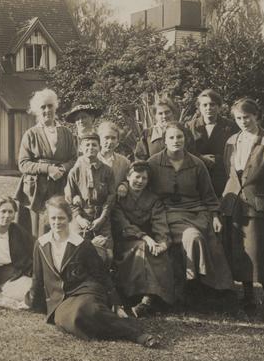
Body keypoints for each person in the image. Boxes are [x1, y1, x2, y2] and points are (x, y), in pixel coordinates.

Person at [26, 196, 161, 347]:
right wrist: (33, 303)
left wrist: (116, 303)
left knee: (87, 309)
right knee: (68, 320)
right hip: (60, 300)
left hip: (85, 290)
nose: (57, 222)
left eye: (61, 218)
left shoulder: (81, 244)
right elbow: (37, 278)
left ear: (69, 218)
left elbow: (101, 274)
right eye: (53, 218)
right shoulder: (41, 244)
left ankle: (137, 335)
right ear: (48, 219)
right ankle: (115, 323)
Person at [220, 98, 264, 323]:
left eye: (247, 117)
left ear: (256, 116)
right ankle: (248, 298)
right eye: (239, 118)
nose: (243, 122)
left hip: (260, 205)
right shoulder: (232, 141)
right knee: (241, 253)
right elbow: (229, 171)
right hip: (234, 205)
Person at [148, 123, 233, 302]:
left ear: (186, 139)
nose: (176, 141)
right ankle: (192, 286)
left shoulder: (197, 163)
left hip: (196, 212)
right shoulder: (154, 163)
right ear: (164, 141)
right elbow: (139, 184)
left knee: (209, 239)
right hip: (167, 214)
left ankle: (215, 290)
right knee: (193, 237)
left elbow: (208, 194)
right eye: (171, 137)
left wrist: (215, 216)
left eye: (179, 137)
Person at [112, 160, 176, 316]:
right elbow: (122, 224)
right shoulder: (119, 197)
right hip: (124, 241)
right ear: (128, 177)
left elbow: (160, 222)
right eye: (137, 177)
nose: (140, 181)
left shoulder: (153, 199)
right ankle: (141, 298)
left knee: (158, 252)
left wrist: (163, 243)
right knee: (142, 247)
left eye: (144, 178)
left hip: (148, 240)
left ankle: (150, 300)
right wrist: (145, 237)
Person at [16, 89, 79, 237]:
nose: (47, 110)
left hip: (61, 184)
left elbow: (74, 159)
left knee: (59, 222)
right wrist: (48, 169)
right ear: (37, 110)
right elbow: (23, 164)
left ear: (55, 107)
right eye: (43, 107)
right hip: (38, 187)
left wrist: (63, 168)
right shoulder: (30, 134)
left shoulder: (66, 133)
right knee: (39, 228)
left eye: (50, 106)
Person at [187, 89, 239, 267]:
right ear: (199, 107)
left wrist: (218, 159)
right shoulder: (190, 126)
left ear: (219, 106)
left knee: (223, 221)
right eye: (205, 105)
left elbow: (237, 151)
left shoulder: (230, 126)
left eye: (212, 104)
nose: (209, 108)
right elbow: (185, 150)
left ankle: (224, 267)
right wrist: (201, 158)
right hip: (197, 180)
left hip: (222, 178)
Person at [65, 131, 116, 265]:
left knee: (108, 255)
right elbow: (69, 197)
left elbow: (111, 197)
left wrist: (102, 218)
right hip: (82, 216)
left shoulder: (107, 171)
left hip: (101, 217)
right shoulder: (74, 172)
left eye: (94, 145)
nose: (90, 148)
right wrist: (79, 218)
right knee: (76, 252)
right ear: (81, 148)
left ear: (99, 147)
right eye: (87, 145)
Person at [97, 120, 131, 188]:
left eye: (113, 138)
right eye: (106, 138)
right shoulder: (90, 160)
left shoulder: (124, 162)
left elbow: (129, 180)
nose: (110, 142)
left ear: (117, 142)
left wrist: (124, 185)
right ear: (99, 140)